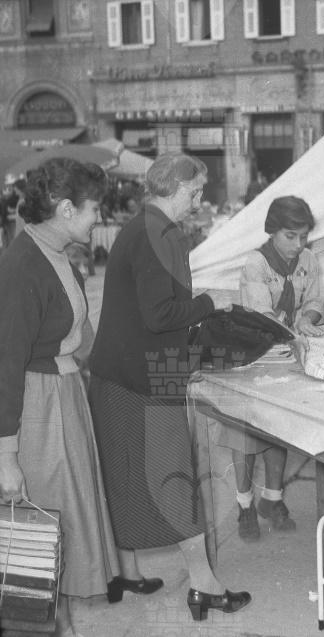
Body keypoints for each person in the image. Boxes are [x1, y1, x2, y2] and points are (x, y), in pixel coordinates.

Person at [88, 152, 251, 620]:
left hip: (122, 375)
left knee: (125, 477)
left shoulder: (142, 227)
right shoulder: (160, 233)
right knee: (173, 479)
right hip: (141, 380)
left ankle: (128, 573)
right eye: (196, 192)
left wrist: (181, 362)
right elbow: (161, 315)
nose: (199, 202)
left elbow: (148, 314)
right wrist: (210, 302)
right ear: (177, 187)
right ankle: (204, 585)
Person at [0, 158, 120, 636]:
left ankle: (61, 627)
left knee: (59, 532)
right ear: (66, 208)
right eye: (94, 209)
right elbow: (5, 364)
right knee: (42, 538)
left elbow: (76, 336)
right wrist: (6, 457)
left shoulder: (54, 254)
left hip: (62, 399)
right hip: (38, 409)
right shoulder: (23, 265)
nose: (98, 218)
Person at [230, 195, 324, 541]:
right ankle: (244, 504)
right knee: (245, 432)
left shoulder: (308, 260)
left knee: (277, 426)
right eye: (290, 236)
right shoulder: (255, 264)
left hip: (286, 354)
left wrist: (308, 319)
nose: (298, 245)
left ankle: (272, 499)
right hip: (254, 353)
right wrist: (293, 334)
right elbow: (261, 315)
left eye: (304, 237)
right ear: (272, 231)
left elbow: (315, 299)